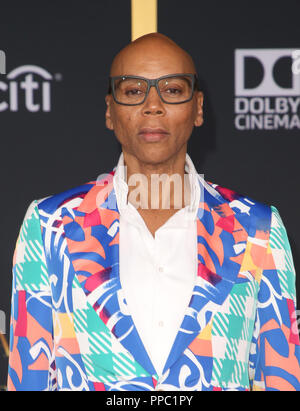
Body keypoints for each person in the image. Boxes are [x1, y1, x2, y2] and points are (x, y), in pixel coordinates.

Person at [7, 33, 300, 391]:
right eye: (133, 91)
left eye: (173, 90)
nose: (153, 105)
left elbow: (283, 378)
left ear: (198, 108)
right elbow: (29, 379)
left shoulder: (258, 228)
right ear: (110, 112)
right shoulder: (49, 224)